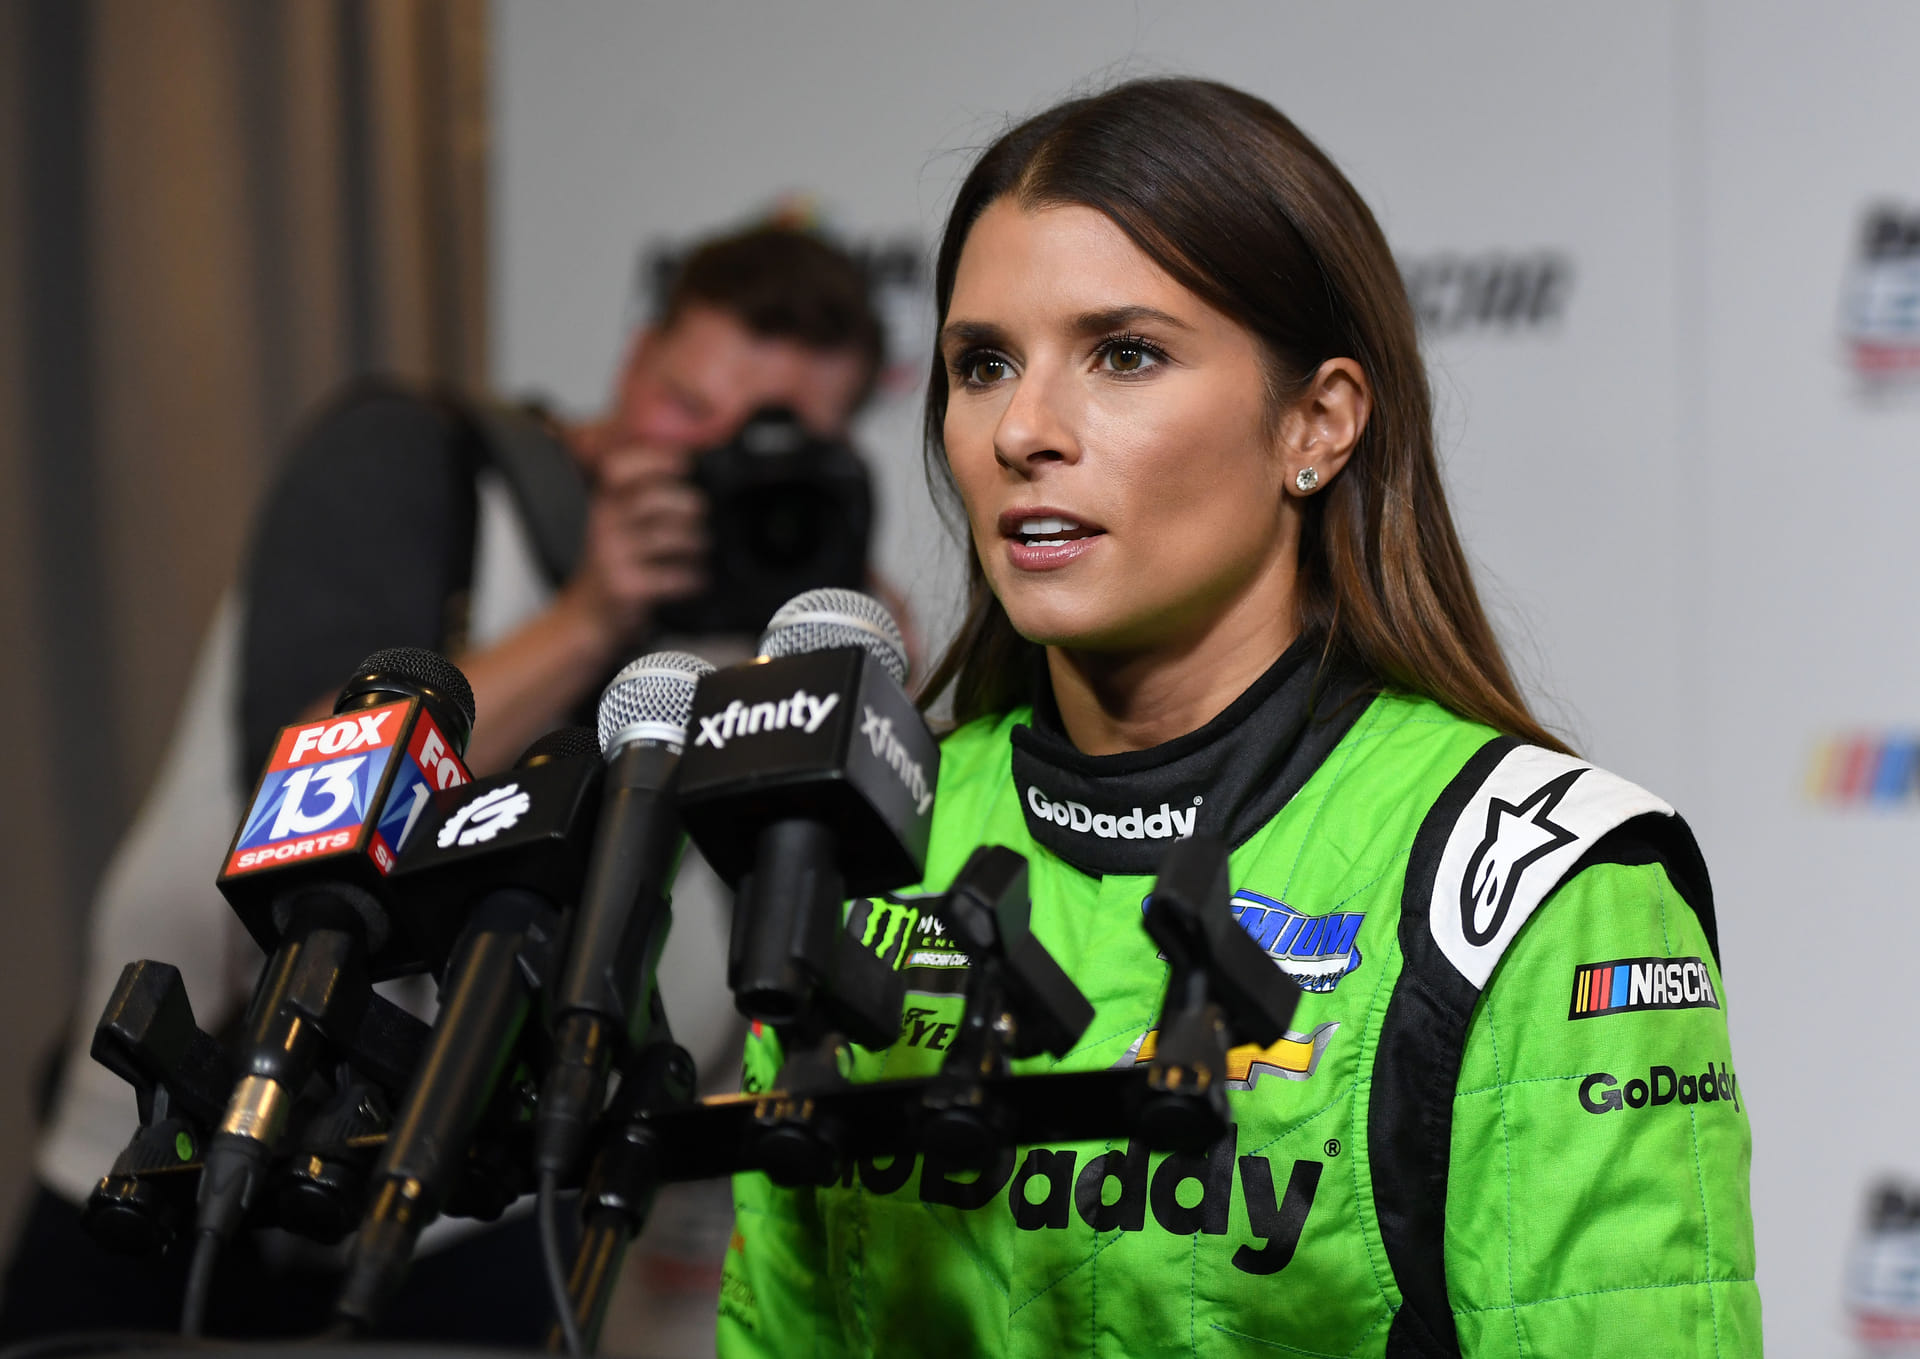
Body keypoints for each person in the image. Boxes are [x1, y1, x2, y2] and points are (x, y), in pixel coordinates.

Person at [718, 79, 1760, 1357]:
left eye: (1124, 353)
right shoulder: (864, 844)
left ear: (1316, 423)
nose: (1022, 430)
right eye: (982, 364)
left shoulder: (1536, 884)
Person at [2, 224, 886, 1342]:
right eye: (687, 406)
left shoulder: (747, 626)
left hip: (472, 1198)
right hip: (184, 1131)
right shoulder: (413, 459)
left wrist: (833, 689)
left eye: (770, 442)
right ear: (635, 359)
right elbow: (305, 782)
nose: (711, 464)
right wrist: (594, 616)